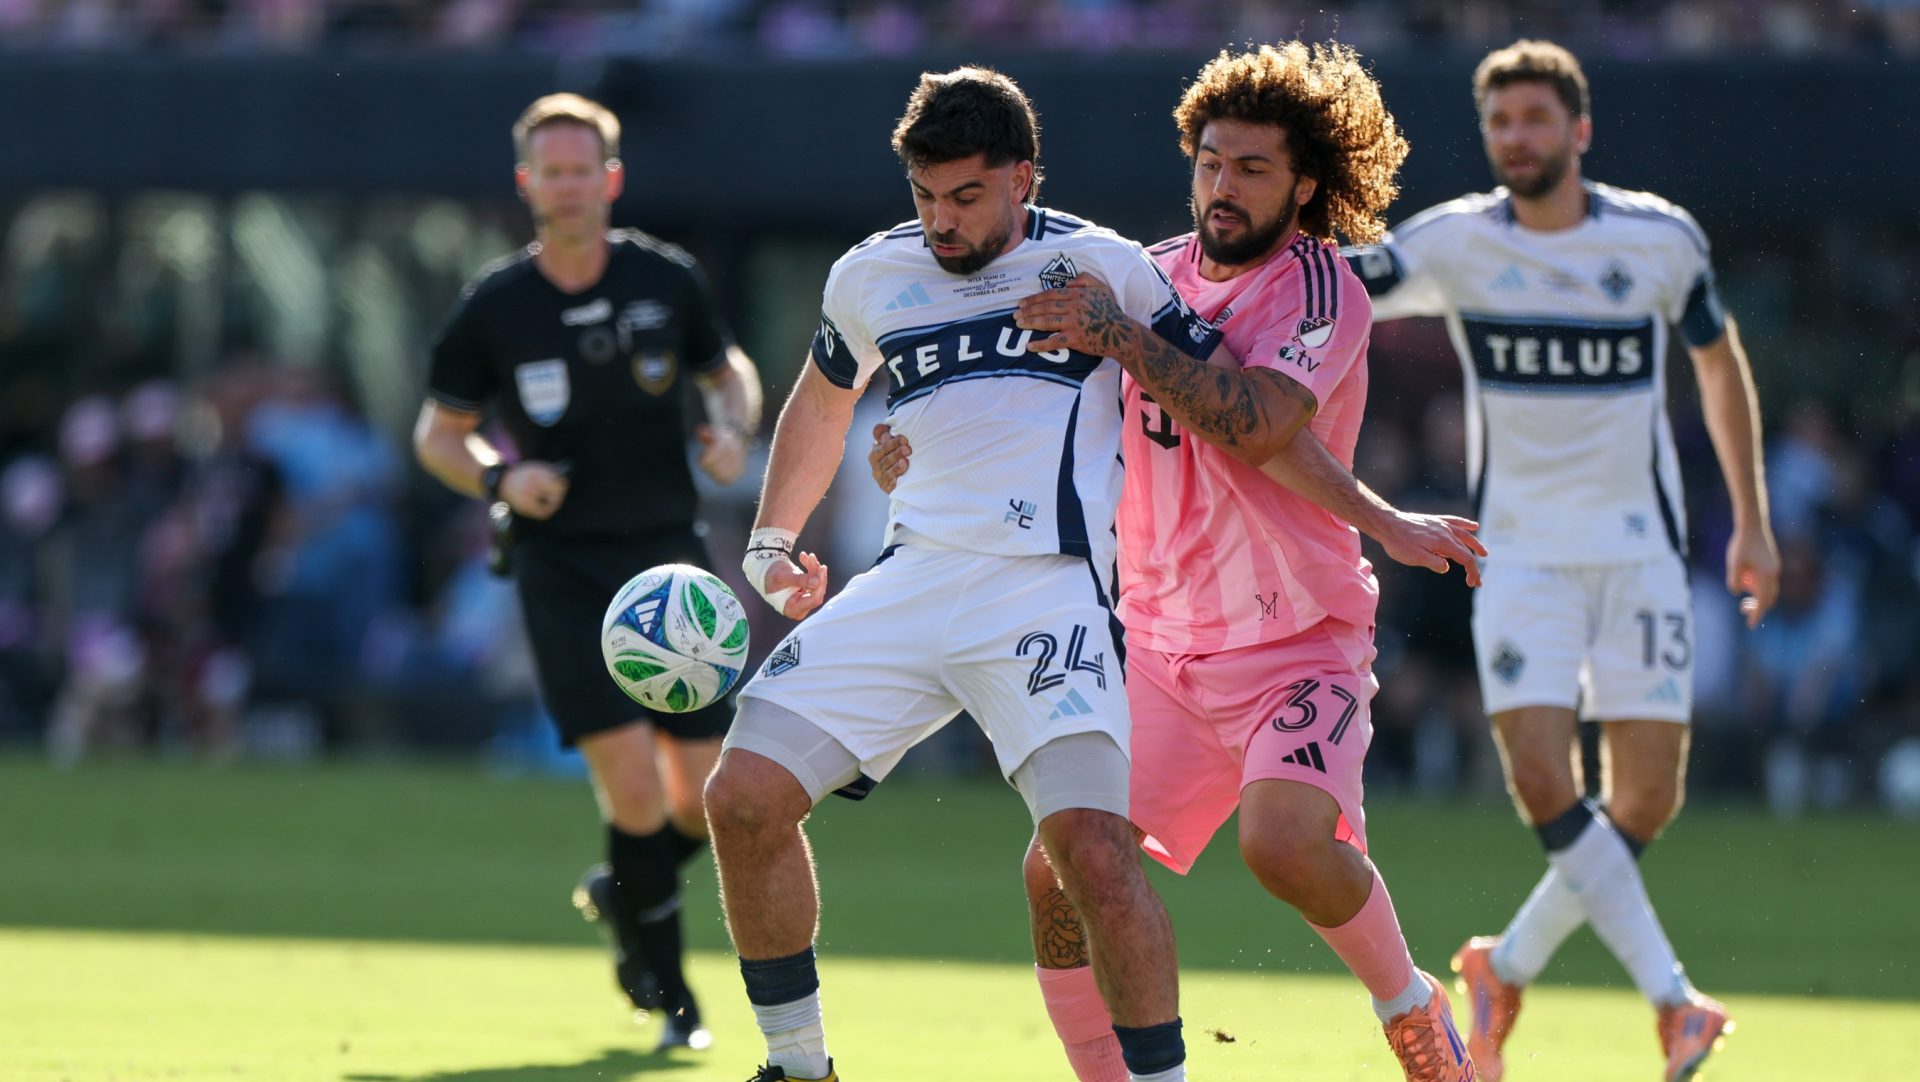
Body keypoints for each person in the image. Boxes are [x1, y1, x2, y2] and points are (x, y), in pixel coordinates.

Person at [872, 43, 1482, 1082]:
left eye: (1250, 168)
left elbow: (1256, 424)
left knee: (1283, 846)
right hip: (1158, 641)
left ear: (1305, 182)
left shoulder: (1321, 287)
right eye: (1209, 161)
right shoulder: (1143, 273)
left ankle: (1410, 1005)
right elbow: (1029, 395)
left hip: (1296, 636)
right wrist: (916, 445)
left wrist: (1118, 335)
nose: (1222, 185)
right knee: (1058, 872)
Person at [706, 67, 1226, 1082]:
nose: (942, 220)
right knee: (743, 796)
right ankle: (798, 1063)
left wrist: (1120, 337)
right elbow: (823, 401)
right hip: (909, 580)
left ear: (1023, 176)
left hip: (1049, 585)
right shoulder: (870, 275)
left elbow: (1219, 397)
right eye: (925, 196)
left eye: (966, 196)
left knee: (1093, 854)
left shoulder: (1102, 263)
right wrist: (770, 544)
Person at [1343, 40, 1780, 1082]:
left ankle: (1508, 962)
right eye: (1500, 123)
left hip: (1639, 556)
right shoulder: (1455, 243)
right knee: (1542, 773)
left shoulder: (1661, 240)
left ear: (1579, 131)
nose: (1517, 139)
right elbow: (1339, 288)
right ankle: (1676, 1001)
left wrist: (1754, 521)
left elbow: (1720, 366)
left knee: (1644, 800)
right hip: (1522, 556)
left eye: (1537, 120)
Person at [413, 92, 763, 1052]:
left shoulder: (666, 279)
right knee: (632, 787)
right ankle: (669, 997)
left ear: (611, 179)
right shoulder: (496, 306)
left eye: (583, 169)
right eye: (549, 171)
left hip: (667, 560)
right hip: (562, 567)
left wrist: (731, 429)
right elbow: (437, 435)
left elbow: (724, 367)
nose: (568, 187)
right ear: (528, 184)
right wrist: (500, 473)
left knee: (702, 799)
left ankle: (627, 889)